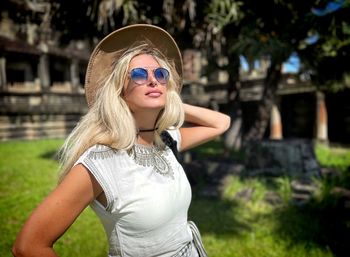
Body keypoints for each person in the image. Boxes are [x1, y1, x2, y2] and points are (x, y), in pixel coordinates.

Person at [12, 24, 231, 257]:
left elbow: (221, 123)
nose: (153, 80)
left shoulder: (165, 139)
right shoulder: (100, 162)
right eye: (139, 74)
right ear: (120, 92)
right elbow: (28, 246)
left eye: (160, 74)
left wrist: (171, 100)